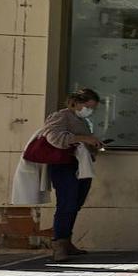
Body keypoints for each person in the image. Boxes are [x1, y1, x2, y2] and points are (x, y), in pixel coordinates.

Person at [40, 88, 103, 262]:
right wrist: (82, 138)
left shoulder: (82, 121)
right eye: (88, 106)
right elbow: (53, 137)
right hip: (63, 166)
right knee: (66, 203)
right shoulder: (61, 116)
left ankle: (67, 241)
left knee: (75, 204)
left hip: (81, 167)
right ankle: (59, 244)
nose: (89, 110)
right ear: (77, 103)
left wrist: (93, 144)